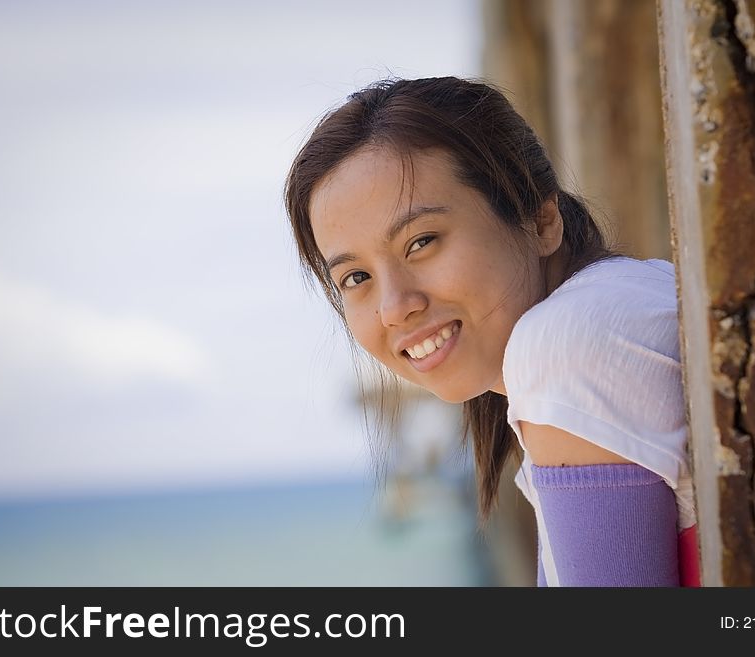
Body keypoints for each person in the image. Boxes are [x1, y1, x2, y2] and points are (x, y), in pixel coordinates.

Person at [284, 76, 699, 587]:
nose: (395, 307)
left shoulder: (565, 341)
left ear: (541, 218)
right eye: (356, 278)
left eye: (422, 242)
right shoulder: (629, 294)